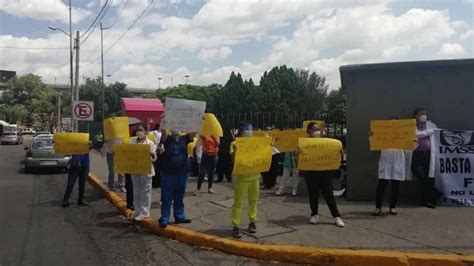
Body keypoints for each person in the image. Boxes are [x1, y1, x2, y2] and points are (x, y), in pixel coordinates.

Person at [302, 122, 345, 227]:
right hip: (310, 172)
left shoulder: (327, 143)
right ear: (308, 132)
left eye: (318, 129)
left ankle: (336, 216)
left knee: (328, 194)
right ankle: (314, 214)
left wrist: (339, 153)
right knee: (313, 194)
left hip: (325, 171)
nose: (317, 131)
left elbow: (335, 154)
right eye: (314, 129)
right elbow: (300, 158)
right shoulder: (304, 144)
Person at [230, 122, 265, 238]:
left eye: (250, 130)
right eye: (246, 130)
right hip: (241, 178)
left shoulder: (256, 143)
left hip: (255, 176)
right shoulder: (235, 143)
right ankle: (235, 225)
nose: (249, 132)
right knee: (239, 202)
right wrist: (235, 152)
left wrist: (267, 144)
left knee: (253, 201)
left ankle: (252, 222)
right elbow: (233, 160)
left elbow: (264, 154)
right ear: (240, 132)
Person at [158, 129, 195, 228]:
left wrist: (199, 119)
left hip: (182, 171)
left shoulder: (185, 138)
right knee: (166, 196)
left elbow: (193, 132)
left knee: (179, 195)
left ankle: (180, 216)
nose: (176, 129)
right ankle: (164, 218)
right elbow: (164, 133)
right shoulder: (167, 139)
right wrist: (164, 121)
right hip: (168, 172)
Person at [409, 108, 438, 208]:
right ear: (415, 115)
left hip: (429, 154)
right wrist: (431, 132)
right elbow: (416, 134)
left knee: (429, 178)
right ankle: (430, 198)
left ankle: (427, 200)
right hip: (417, 155)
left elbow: (437, 133)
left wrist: (431, 131)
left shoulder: (431, 125)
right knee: (421, 177)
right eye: (421, 113)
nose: (424, 115)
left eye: (425, 113)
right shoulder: (411, 125)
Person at [130, 125, 157, 221]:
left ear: (145, 131)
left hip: (146, 170)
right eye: (137, 130)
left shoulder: (150, 143)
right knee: (136, 191)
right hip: (135, 169)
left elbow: (154, 158)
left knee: (145, 192)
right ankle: (137, 211)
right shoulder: (132, 141)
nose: (139, 132)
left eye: (141, 130)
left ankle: (145, 212)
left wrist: (152, 154)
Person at [62, 142, 92, 208]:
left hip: (84, 166)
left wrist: (90, 144)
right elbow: (66, 152)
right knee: (70, 184)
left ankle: (80, 200)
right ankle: (65, 200)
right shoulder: (73, 146)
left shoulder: (87, 144)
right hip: (75, 166)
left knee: (82, 184)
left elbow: (92, 147)